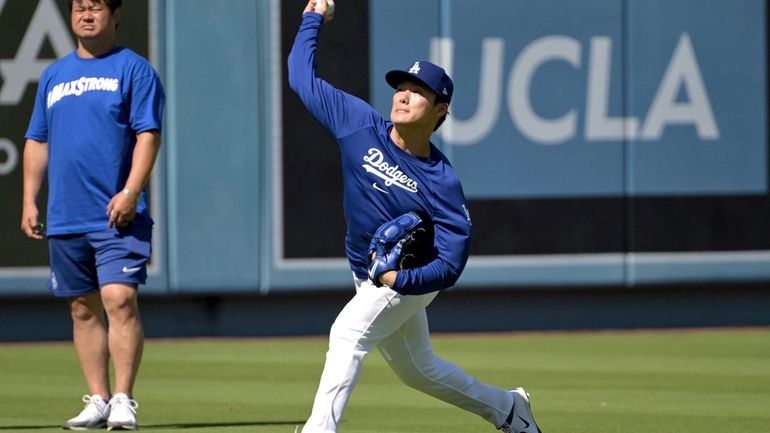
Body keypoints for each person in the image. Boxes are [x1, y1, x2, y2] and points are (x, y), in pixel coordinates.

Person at [287, 1, 543, 432]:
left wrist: (400, 282)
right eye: (401, 87)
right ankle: (509, 409)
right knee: (418, 370)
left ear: (441, 109)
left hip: (408, 275)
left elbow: (451, 263)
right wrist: (313, 16)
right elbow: (300, 76)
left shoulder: (441, 181)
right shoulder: (358, 124)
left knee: (347, 335)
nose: (404, 95)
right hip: (366, 270)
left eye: (418, 91)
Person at [20, 0, 164, 430]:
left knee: (119, 299)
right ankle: (98, 399)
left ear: (115, 14)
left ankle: (123, 399)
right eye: (79, 7)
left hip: (116, 213)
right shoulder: (53, 75)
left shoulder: (134, 69)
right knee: (82, 309)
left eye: (96, 7)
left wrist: (130, 191)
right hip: (66, 214)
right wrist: (30, 199)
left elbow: (148, 135)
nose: (86, 14)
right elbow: (36, 141)